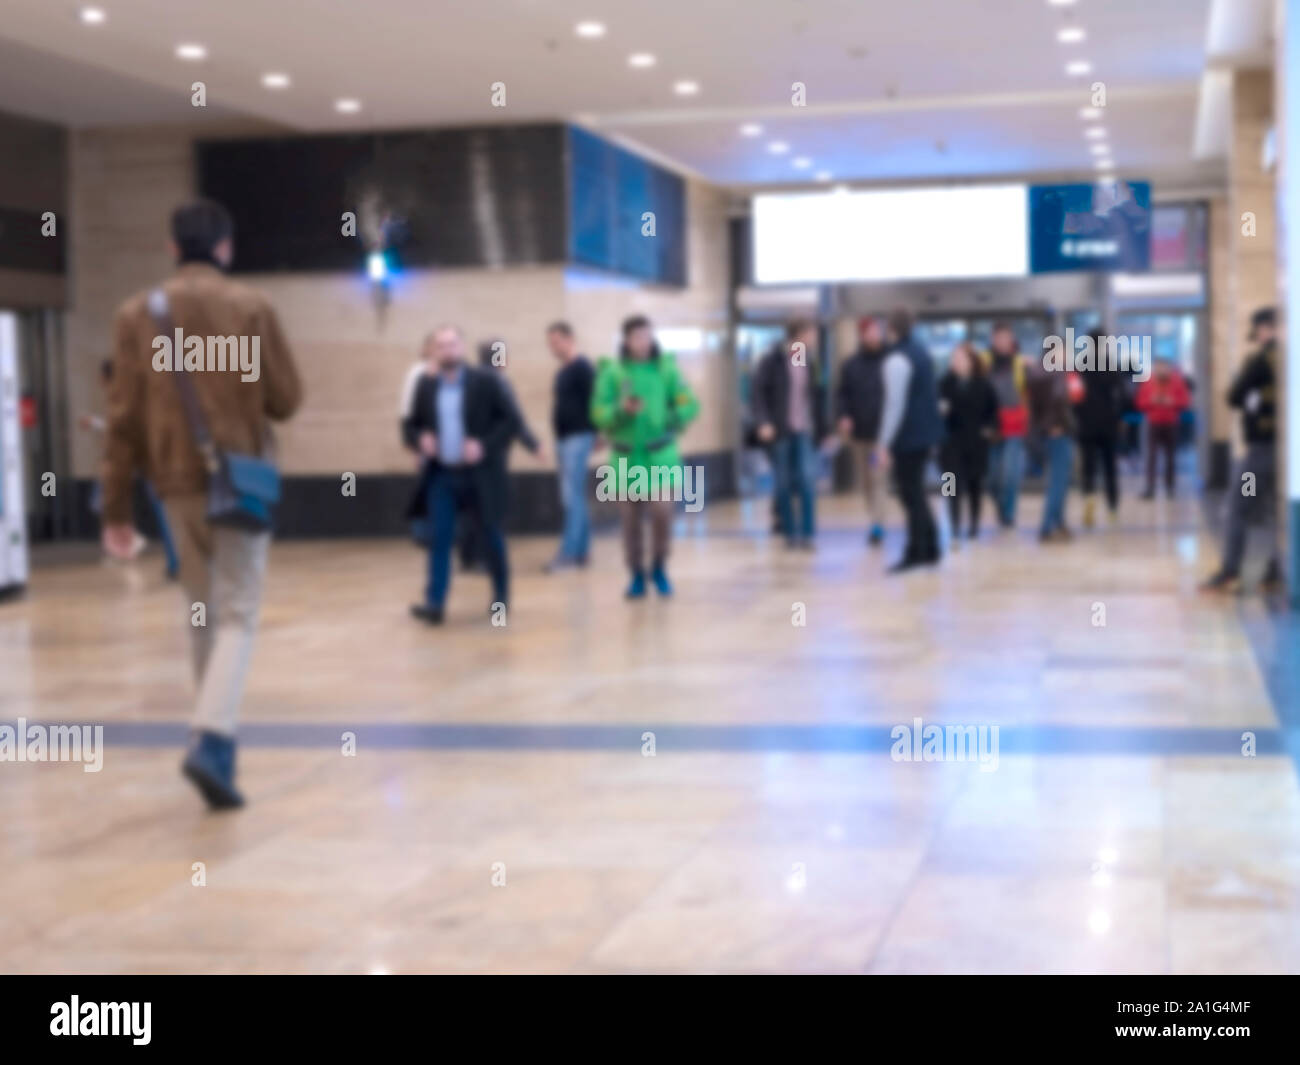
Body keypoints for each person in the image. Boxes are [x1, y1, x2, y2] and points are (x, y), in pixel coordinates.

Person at [100, 198, 303, 809]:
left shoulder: (136, 315)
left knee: (202, 611)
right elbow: (286, 399)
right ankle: (212, 742)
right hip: (238, 480)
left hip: (174, 485)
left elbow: (121, 418)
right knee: (239, 611)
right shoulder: (250, 306)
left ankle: (217, 749)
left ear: (171, 248)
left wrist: (114, 510)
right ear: (224, 249)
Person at [403, 325, 521, 625]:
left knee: (491, 536)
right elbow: (410, 426)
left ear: (462, 347)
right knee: (439, 539)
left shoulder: (485, 381)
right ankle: (435, 604)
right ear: (433, 351)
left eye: (452, 344)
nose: (447, 350)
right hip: (442, 475)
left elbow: (510, 422)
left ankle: (500, 600)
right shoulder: (426, 385)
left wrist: (484, 445)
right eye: (441, 345)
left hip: (479, 475)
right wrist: (420, 440)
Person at [591, 315, 699, 598]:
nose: (643, 342)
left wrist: (671, 417)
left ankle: (659, 565)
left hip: (660, 456)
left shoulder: (667, 371)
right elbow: (599, 413)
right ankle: (636, 573)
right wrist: (620, 410)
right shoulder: (612, 373)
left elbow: (689, 403)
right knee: (629, 522)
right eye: (637, 337)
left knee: (663, 512)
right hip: (625, 459)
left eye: (647, 336)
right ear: (626, 340)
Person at [1202, 307, 1281, 594]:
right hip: (1285, 457)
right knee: (1277, 511)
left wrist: (1252, 398)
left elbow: (1234, 396)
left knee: (1239, 506)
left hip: (1259, 454)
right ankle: (1276, 570)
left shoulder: (1259, 361)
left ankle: (1230, 571)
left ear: (1264, 328)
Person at [81, 358, 180, 578]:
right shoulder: (136, 393)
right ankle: (173, 559)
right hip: (148, 459)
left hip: (145, 459)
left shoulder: (125, 396)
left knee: (162, 509)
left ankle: (173, 560)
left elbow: (123, 428)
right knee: (163, 509)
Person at [874, 309, 942, 572]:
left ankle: (915, 552)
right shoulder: (921, 351)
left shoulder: (897, 359)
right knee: (916, 493)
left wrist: (882, 444)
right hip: (925, 434)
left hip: (908, 437)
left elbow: (894, 404)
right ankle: (931, 547)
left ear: (891, 328)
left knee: (910, 494)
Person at [752, 319, 826, 549]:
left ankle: (807, 533)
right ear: (800, 333)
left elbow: (813, 396)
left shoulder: (805, 360)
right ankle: (789, 532)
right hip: (780, 430)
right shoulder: (773, 360)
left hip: (803, 429)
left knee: (806, 479)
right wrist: (763, 421)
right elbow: (758, 393)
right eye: (812, 333)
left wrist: (824, 429)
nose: (815, 338)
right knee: (783, 482)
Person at [544, 321, 597, 571]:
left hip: (579, 436)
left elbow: (595, 402)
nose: (553, 347)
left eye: (556, 342)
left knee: (571, 496)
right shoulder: (562, 371)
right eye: (550, 343)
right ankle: (582, 550)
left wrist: (598, 433)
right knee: (575, 496)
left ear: (569, 339)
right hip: (563, 439)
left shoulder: (583, 367)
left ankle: (568, 553)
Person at [835, 316, 889, 545]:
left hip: (881, 435)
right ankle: (874, 518)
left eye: (877, 331)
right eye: (870, 332)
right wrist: (844, 416)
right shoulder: (850, 365)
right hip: (859, 434)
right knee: (866, 482)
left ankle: (877, 525)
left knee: (879, 479)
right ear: (862, 335)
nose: (874, 336)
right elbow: (842, 395)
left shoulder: (890, 361)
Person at [937, 343, 998, 540]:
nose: (957, 362)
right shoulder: (944, 383)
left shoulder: (984, 384)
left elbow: (993, 412)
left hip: (975, 444)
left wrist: (989, 428)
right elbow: (936, 410)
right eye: (954, 358)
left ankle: (974, 524)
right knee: (951, 487)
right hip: (950, 444)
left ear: (971, 362)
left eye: (961, 358)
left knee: (974, 485)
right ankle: (953, 524)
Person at [1074, 330, 1128, 527]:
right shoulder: (1112, 366)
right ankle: (1112, 507)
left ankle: (1089, 496)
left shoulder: (1079, 365)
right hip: (1108, 425)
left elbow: (1074, 396)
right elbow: (1122, 396)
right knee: (1109, 468)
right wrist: (1120, 418)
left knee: (1088, 466)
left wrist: (1078, 416)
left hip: (1086, 425)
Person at [981, 323, 1031, 528]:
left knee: (1010, 473)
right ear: (993, 339)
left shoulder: (1019, 362)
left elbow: (1026, 393)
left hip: (1013, 424)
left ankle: (1008, 513)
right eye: (999, 337)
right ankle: (1000, 504)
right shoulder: (983, 361)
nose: (1003, 341)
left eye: (1007, 337)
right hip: (992, 425)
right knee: (992, 476)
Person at [1025, 362, 1076, 542]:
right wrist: (1054, 425)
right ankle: (1047, 526)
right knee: (1058, 482)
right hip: (1057, 433)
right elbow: (1056, 404)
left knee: (1059, 481)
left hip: (1053, 432)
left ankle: (1058, 522)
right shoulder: (1053, 376)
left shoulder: (1044, 374)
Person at [1135, 358, 1190, 498]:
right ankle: (1150, 488)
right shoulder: (1148, 383)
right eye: (1158, 367)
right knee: (1151, 457)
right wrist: (1151, 401)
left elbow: (1185, 401)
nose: (1161, 370)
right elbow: (1140, 402)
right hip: (1153, 423)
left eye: (1164, 367)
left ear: (1169, 368)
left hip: (1171, 423)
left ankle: (1170, 487)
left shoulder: (1177, 382)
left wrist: (1172, 402)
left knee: (1170, 457)